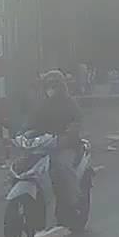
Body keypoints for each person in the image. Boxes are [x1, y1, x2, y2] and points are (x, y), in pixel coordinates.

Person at [29, 70, 82, 212]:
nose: (51, 89)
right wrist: (22, 134)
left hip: (66, 145)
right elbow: (32, 122)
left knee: (63, 165)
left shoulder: (70, 103)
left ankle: (74, 200)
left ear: (61, 86)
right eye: (48, 85)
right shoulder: (42, 105)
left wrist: (68, 134)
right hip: (45, 144)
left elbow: (76, 121)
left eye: (54, 85)